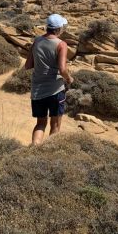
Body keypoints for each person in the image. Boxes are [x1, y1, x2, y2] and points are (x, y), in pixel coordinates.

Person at [25, 13, 73, 145]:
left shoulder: (37, 41)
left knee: (40, 124)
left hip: (37, 90)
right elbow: (62, 69)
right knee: (55, 125)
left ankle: (35, 149)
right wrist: (69, 79)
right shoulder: (61, 44)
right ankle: (49, 152)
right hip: (55, 89)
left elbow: (27, 65)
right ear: (58, 29)